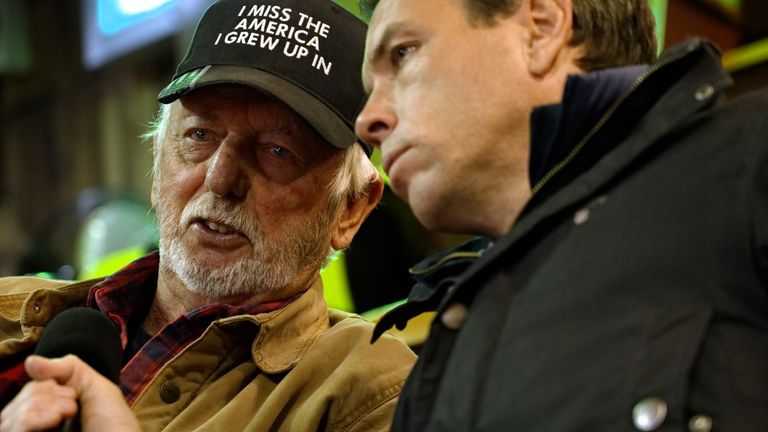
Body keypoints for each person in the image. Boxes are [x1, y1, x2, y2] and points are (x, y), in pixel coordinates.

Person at [0, 0, 416, 430]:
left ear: (350, 208)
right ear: (157, 162)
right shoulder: (9, 316)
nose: (220, 179)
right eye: (200, 135)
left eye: (278, 151)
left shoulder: (376, 395)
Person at [355, 0, 768, 430]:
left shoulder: (751, 159)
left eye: (403, 52)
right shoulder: (445, 348)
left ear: (541, 29)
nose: (366, 121)